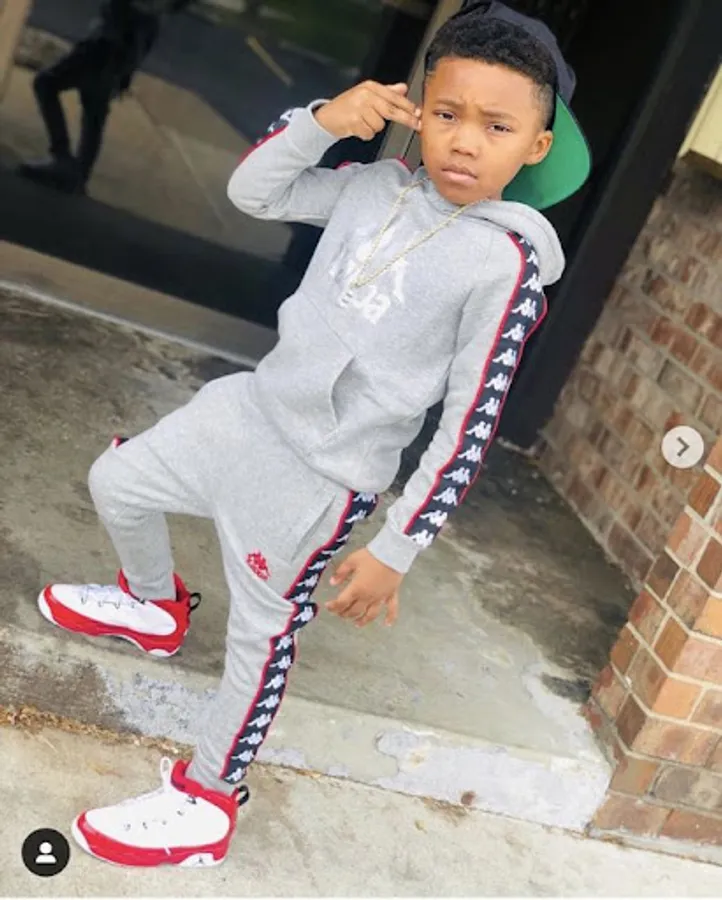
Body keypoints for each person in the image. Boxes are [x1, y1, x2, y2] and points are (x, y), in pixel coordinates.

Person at [38, 0, 590, 869]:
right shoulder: (374, 185)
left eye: (496, 126)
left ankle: (208, 801)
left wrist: (397, 548)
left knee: (260, 638)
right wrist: (324, 121)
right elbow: (254, 192)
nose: (463, 142)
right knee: (119, 482)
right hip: (248, 411)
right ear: (417, 110)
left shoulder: (505, 263)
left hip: (322, 476)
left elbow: (469, 423)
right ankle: (153, 605)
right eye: (447, 114)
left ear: (536, 146)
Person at [17, 0, 189, 194]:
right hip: (117, 58)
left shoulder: (143, 13)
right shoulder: (155, 18)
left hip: (102, 49)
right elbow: (143, 41)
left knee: (46, 84)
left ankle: (62, 157)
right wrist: (125, 75)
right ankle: (79, 174)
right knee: (94, 110)